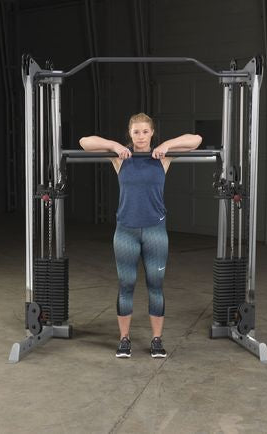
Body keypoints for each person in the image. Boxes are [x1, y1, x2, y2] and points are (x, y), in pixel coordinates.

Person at [79, 113, 202, 358]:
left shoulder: (163, 157)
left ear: (152, 133)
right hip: (126, 232)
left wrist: (168, 145)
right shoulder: (120, 158)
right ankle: (124, 340)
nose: (141, 136)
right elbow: (84, 142)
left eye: (145, 131)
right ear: (130, 134)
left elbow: (196, 140)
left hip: (155, 232)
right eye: (136, 132)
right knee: (126, 285)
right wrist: (114, 146)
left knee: (155, 285)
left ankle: (157, 340)